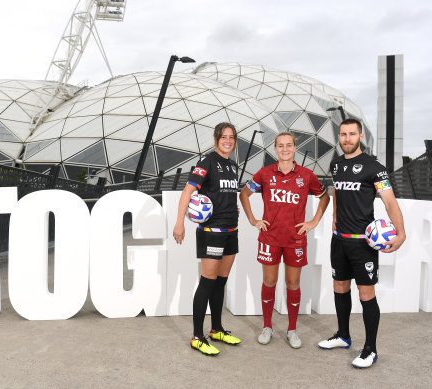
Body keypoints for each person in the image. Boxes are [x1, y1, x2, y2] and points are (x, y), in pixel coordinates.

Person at [318, 118, 406, 368]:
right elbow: (337, 191)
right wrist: (335, 215)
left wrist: (401, 233)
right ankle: (343, 336)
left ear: (361, 137)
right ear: (339, 137)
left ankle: (370, 349)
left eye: (352, 134)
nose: (347, 139)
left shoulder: (374, 167)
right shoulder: (335, 164)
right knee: (339, 287)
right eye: (343, 134)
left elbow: (389, 201)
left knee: (366, 293)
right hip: (340, 240)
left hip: (363, 243)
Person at [239, 132, 330, 348]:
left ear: (295, 148)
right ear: (275, 149)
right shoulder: (264, 174)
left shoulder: (307, 175)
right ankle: (267, 326)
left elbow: (324, 197)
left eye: (289, 145)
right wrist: (253, 220)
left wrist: (313, 221)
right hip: (270, 238)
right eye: (281, 145)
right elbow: (244, 194)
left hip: (295, 239)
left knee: (293, 283)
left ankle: (292, 330)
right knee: (269, 282)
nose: (285, 149)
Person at [173, 122, 241, 356]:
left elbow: (224, 193)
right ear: (216, 139)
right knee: (207, 281)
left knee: (221, 282)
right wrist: (180, 222)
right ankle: (197, 336)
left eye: (232, 137)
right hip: (211, 232)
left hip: (231, 230)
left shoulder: (233, 165)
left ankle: (216, 329)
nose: (228, 141)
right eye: (224, 137)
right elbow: (188, 192)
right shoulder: (207, 162)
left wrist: (234, 207)